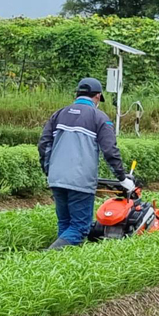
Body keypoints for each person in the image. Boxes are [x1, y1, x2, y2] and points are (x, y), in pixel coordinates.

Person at [38, 78, 133, 250]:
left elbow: (44, 144)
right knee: (80, 228)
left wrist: (49, 170)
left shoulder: (59, 114)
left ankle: (59, 265)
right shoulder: (99, 117)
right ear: (97, 96)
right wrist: (122, 178)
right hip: (80, 182)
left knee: (66, 224)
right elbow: (110, 150)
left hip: (56, 178)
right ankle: (47, 256)